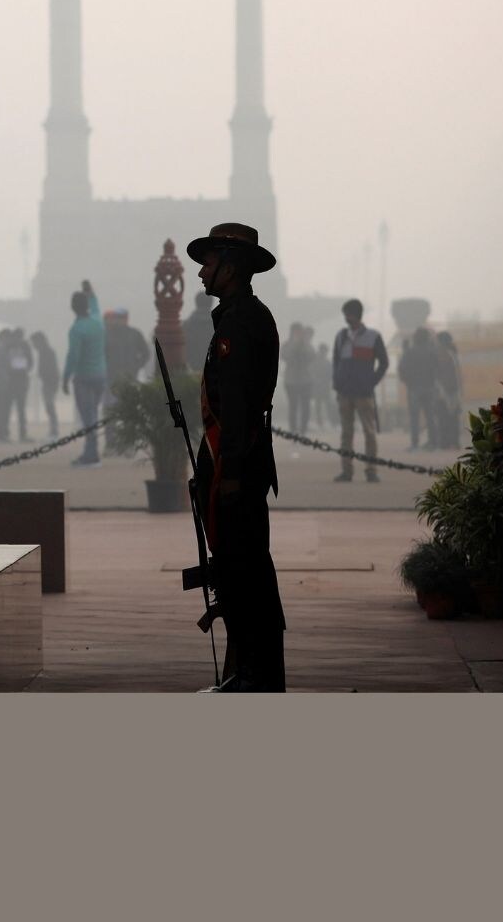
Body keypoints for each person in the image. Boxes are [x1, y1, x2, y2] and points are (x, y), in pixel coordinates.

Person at [187, 221, 285, 693]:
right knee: (238, 572)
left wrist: (227, 473)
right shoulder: (236, 315)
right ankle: (246, 671)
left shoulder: (242, 320)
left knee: (244, 576)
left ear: (232, 265)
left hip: (238, 467)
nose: (202, 273)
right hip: (234, 463)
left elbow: (240, 405)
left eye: (209, 263)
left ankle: (254, 676)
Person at [332, 298, 389, 482]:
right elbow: (336, 363)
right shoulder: (341, 336)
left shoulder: (373, 336)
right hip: (345, 393)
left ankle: (371, 470)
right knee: (346, 434)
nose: (345, 318)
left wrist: (371, 381)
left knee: (369, 433)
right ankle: (346, 471)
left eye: (347, 315)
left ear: (355, 315)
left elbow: (384, 363)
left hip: (364, 393)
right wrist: (337, 384)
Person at [62, 279, 107, 465]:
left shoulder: (76, 329)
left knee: (87, 417)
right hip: (101, 375)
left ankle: (91, 454)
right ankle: (91, 451)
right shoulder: (97, 321)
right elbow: (96, 307)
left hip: (83, 377)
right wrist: (90, 292)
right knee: (93, 414)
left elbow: (73, 356)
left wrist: (65, 379)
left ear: (72, 307)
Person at [103, 307, 149, 453]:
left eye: (120, 317)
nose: (119, 320)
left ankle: (121, 444)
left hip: (120, 378)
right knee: (116, 412)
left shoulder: (110, 335)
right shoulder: (133, 334)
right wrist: (136, 366)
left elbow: (146, 354)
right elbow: (145, 354)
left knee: (117, 412)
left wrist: (137, 366)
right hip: (117, 379)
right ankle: (116, 444)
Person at [398, 326, 441, 450]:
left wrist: (408, 382)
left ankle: (415, 443)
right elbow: (438, 368)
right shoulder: (432, 351)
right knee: (431, 416)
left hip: (414, 388)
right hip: (430, 387)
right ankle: (433, 443)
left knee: (414, 418)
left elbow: (402, 369)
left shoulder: (410, 352)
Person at [279, 321, 316, 436]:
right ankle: (293, 429)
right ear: (292, 332)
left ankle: (303, 429)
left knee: (305, 406)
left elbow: (311, 356)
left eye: (299, 331)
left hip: (306, 380)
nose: (298, 334)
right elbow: (285, 356)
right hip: (291, 380)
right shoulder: (287, 344)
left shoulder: (307, 344)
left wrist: (303, 343)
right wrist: (295, 344)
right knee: (293, 406)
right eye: (296, 331)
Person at [434, 331, 464, 451]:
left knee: (443, 417)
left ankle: (445, 442)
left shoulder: (442, 354)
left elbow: (439, 374)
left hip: (445, 390)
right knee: (454, 417)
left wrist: (440, 390)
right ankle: (455, 442)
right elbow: (458, 375)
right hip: (454, 390)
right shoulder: (454, 353)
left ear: (441, 342)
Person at [30, 330, 59, 438]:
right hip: (48, 382)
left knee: (50, 406)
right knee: (49, 407)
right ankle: (53, 429)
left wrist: (48, 380)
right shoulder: (45, 352)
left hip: (49, 383)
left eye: (34, 342)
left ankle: (54, 430)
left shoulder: (47, 352)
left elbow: (51, 370)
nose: (34, 345)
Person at [183, 292, 216, 375]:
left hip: (192, 371)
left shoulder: (186, 325)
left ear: (196, 303)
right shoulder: (219, 324)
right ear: (211, 303)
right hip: (214, 370)